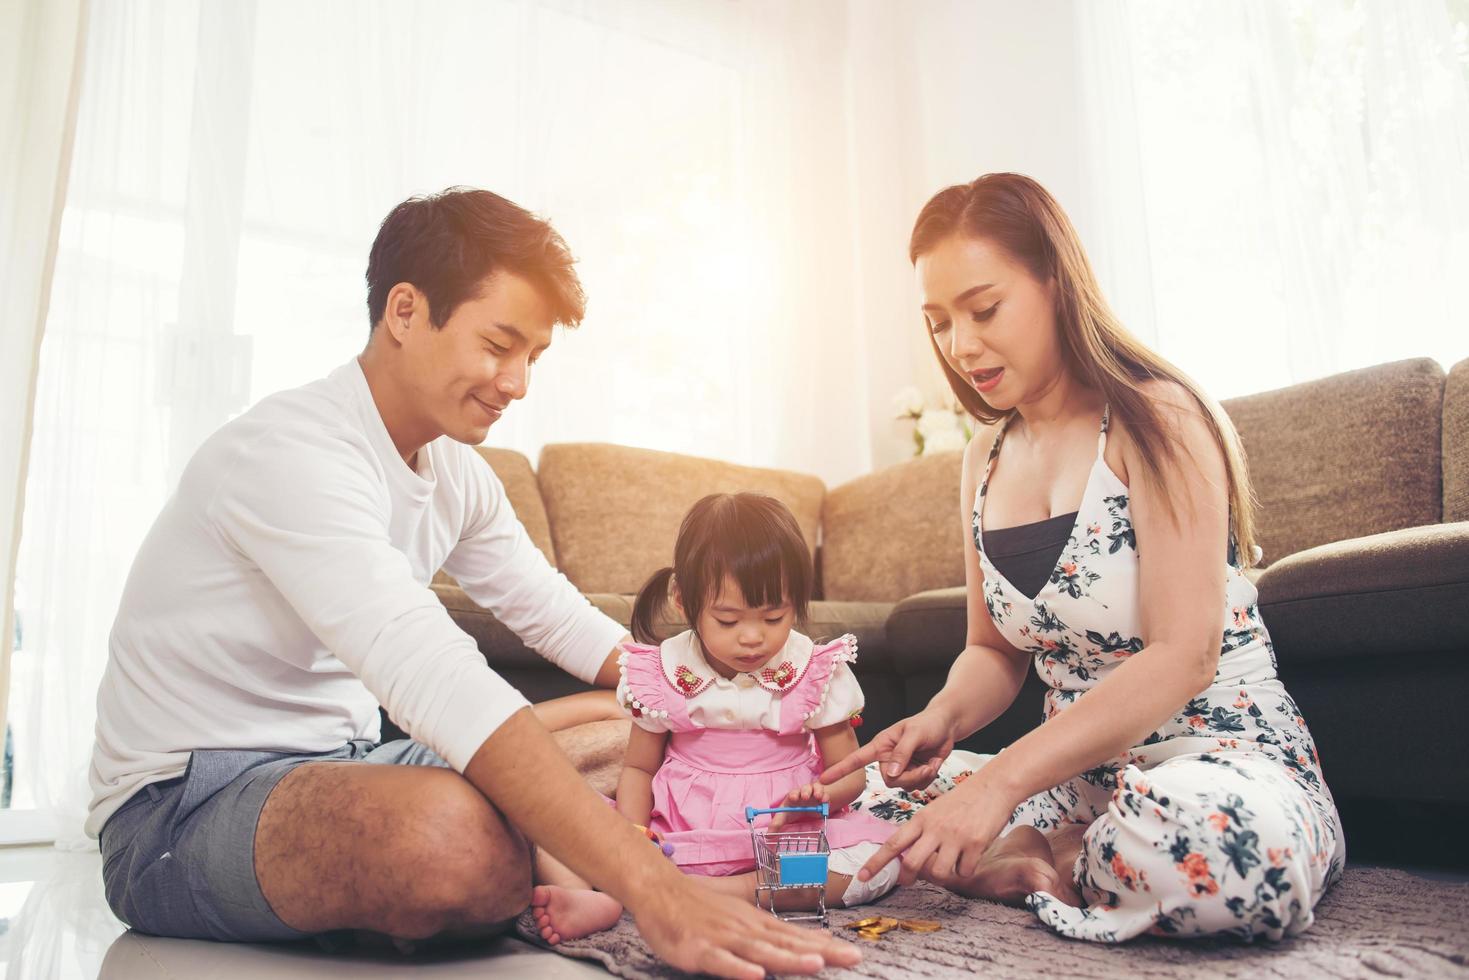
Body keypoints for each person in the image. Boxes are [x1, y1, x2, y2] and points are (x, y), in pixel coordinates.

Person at [89, 187, 858, 978]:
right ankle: (569, 871)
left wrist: (706, 691)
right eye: (499, 344)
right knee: (453, 842)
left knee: (635, 748)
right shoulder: (290, 453)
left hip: (351, 763)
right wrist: (653, 887)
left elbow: (554, 614)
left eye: (533, 356)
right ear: (404, 310)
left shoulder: (457, 474)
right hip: (184, 806)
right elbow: (429, 672)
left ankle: (538, 869)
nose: (517, 381)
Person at [823, 173, 1344, 942]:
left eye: (984, 308)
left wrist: (997, 784)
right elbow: (990, 651)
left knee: (1226, 860)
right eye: (937, 322)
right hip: (1073, 786)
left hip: (1215, 766)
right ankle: (1045, 851)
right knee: (843, 824)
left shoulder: (1154, 416)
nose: (960, 345)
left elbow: (1184, 655)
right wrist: (936, 718)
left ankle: (1043, 856)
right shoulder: (983, 459)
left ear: (1056, 283)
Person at [530, 492, 900, 944]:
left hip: (779, 838)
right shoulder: (661, 671)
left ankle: (723, 893)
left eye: (774, 617)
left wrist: (819, 793)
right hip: (677, 834)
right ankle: (602, 891)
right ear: (684, 602)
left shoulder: (813, 670)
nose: (752, 638)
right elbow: (639, 767)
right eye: (727, 620)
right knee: (551, 826)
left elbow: (853, 777)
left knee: (879, 860)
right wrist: (630, 840)